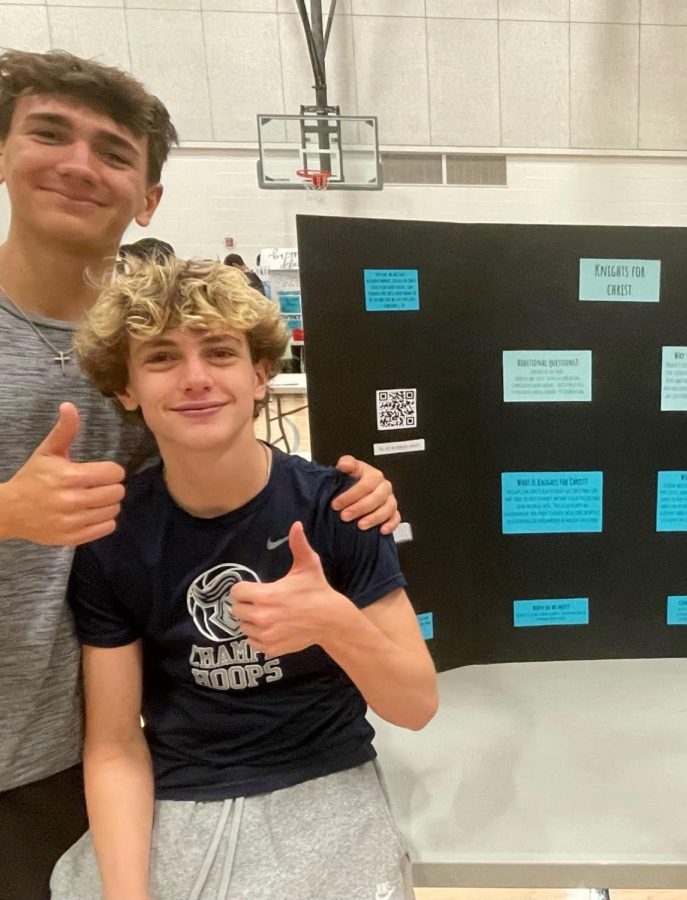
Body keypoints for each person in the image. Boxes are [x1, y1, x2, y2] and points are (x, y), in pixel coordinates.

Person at [0, 49, 399, 900]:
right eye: (48, 134)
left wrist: (355, 515)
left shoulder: (308, 498)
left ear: (148, 196)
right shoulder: (132, 378)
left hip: (88, 753)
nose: (78, 165)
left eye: (112, 151)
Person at [50, 257, 436, 899]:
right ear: (126, 387)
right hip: (180, 790)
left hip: (325, 777)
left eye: (221, 353)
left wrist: (332, 620)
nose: (196, 379)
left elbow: (415, 706)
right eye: (163, 358)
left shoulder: (340, 508)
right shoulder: (112, 539)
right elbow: (116, 742)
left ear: (260, 375)